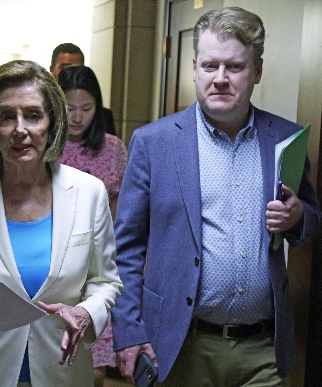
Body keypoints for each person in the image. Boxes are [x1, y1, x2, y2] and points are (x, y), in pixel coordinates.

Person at [111, 7, 321, 386]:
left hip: (263, 350)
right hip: (180, 345)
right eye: (209, 66)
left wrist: (299, 216)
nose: (220, 79)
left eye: (234, 67)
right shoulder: (153, 143)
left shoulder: (285, 140)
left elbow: (311, 220)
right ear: (193, 67)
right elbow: (124, 250)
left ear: (257, 71)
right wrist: (129, 332)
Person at [0, 60, 123, 386]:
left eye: (32, 115)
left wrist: (87, 313)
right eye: (6, 116)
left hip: (62, 370)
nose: (19, 129)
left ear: (52, 122)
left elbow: (106, 282)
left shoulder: (89, 193)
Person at [57, 65, 127, 386]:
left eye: (86, 108)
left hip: (97, 265)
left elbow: (118, 211)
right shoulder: (46, 147)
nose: (77, 117)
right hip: (56, 262)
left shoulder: (112, 148)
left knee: (95, 367)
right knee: (55, 357)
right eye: (69, 108)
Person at [50, 43, 116, 136]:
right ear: (52, 69)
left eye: (86, 109)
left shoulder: (104, 121)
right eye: (70, 109)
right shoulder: (43, 111)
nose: (77, 119)